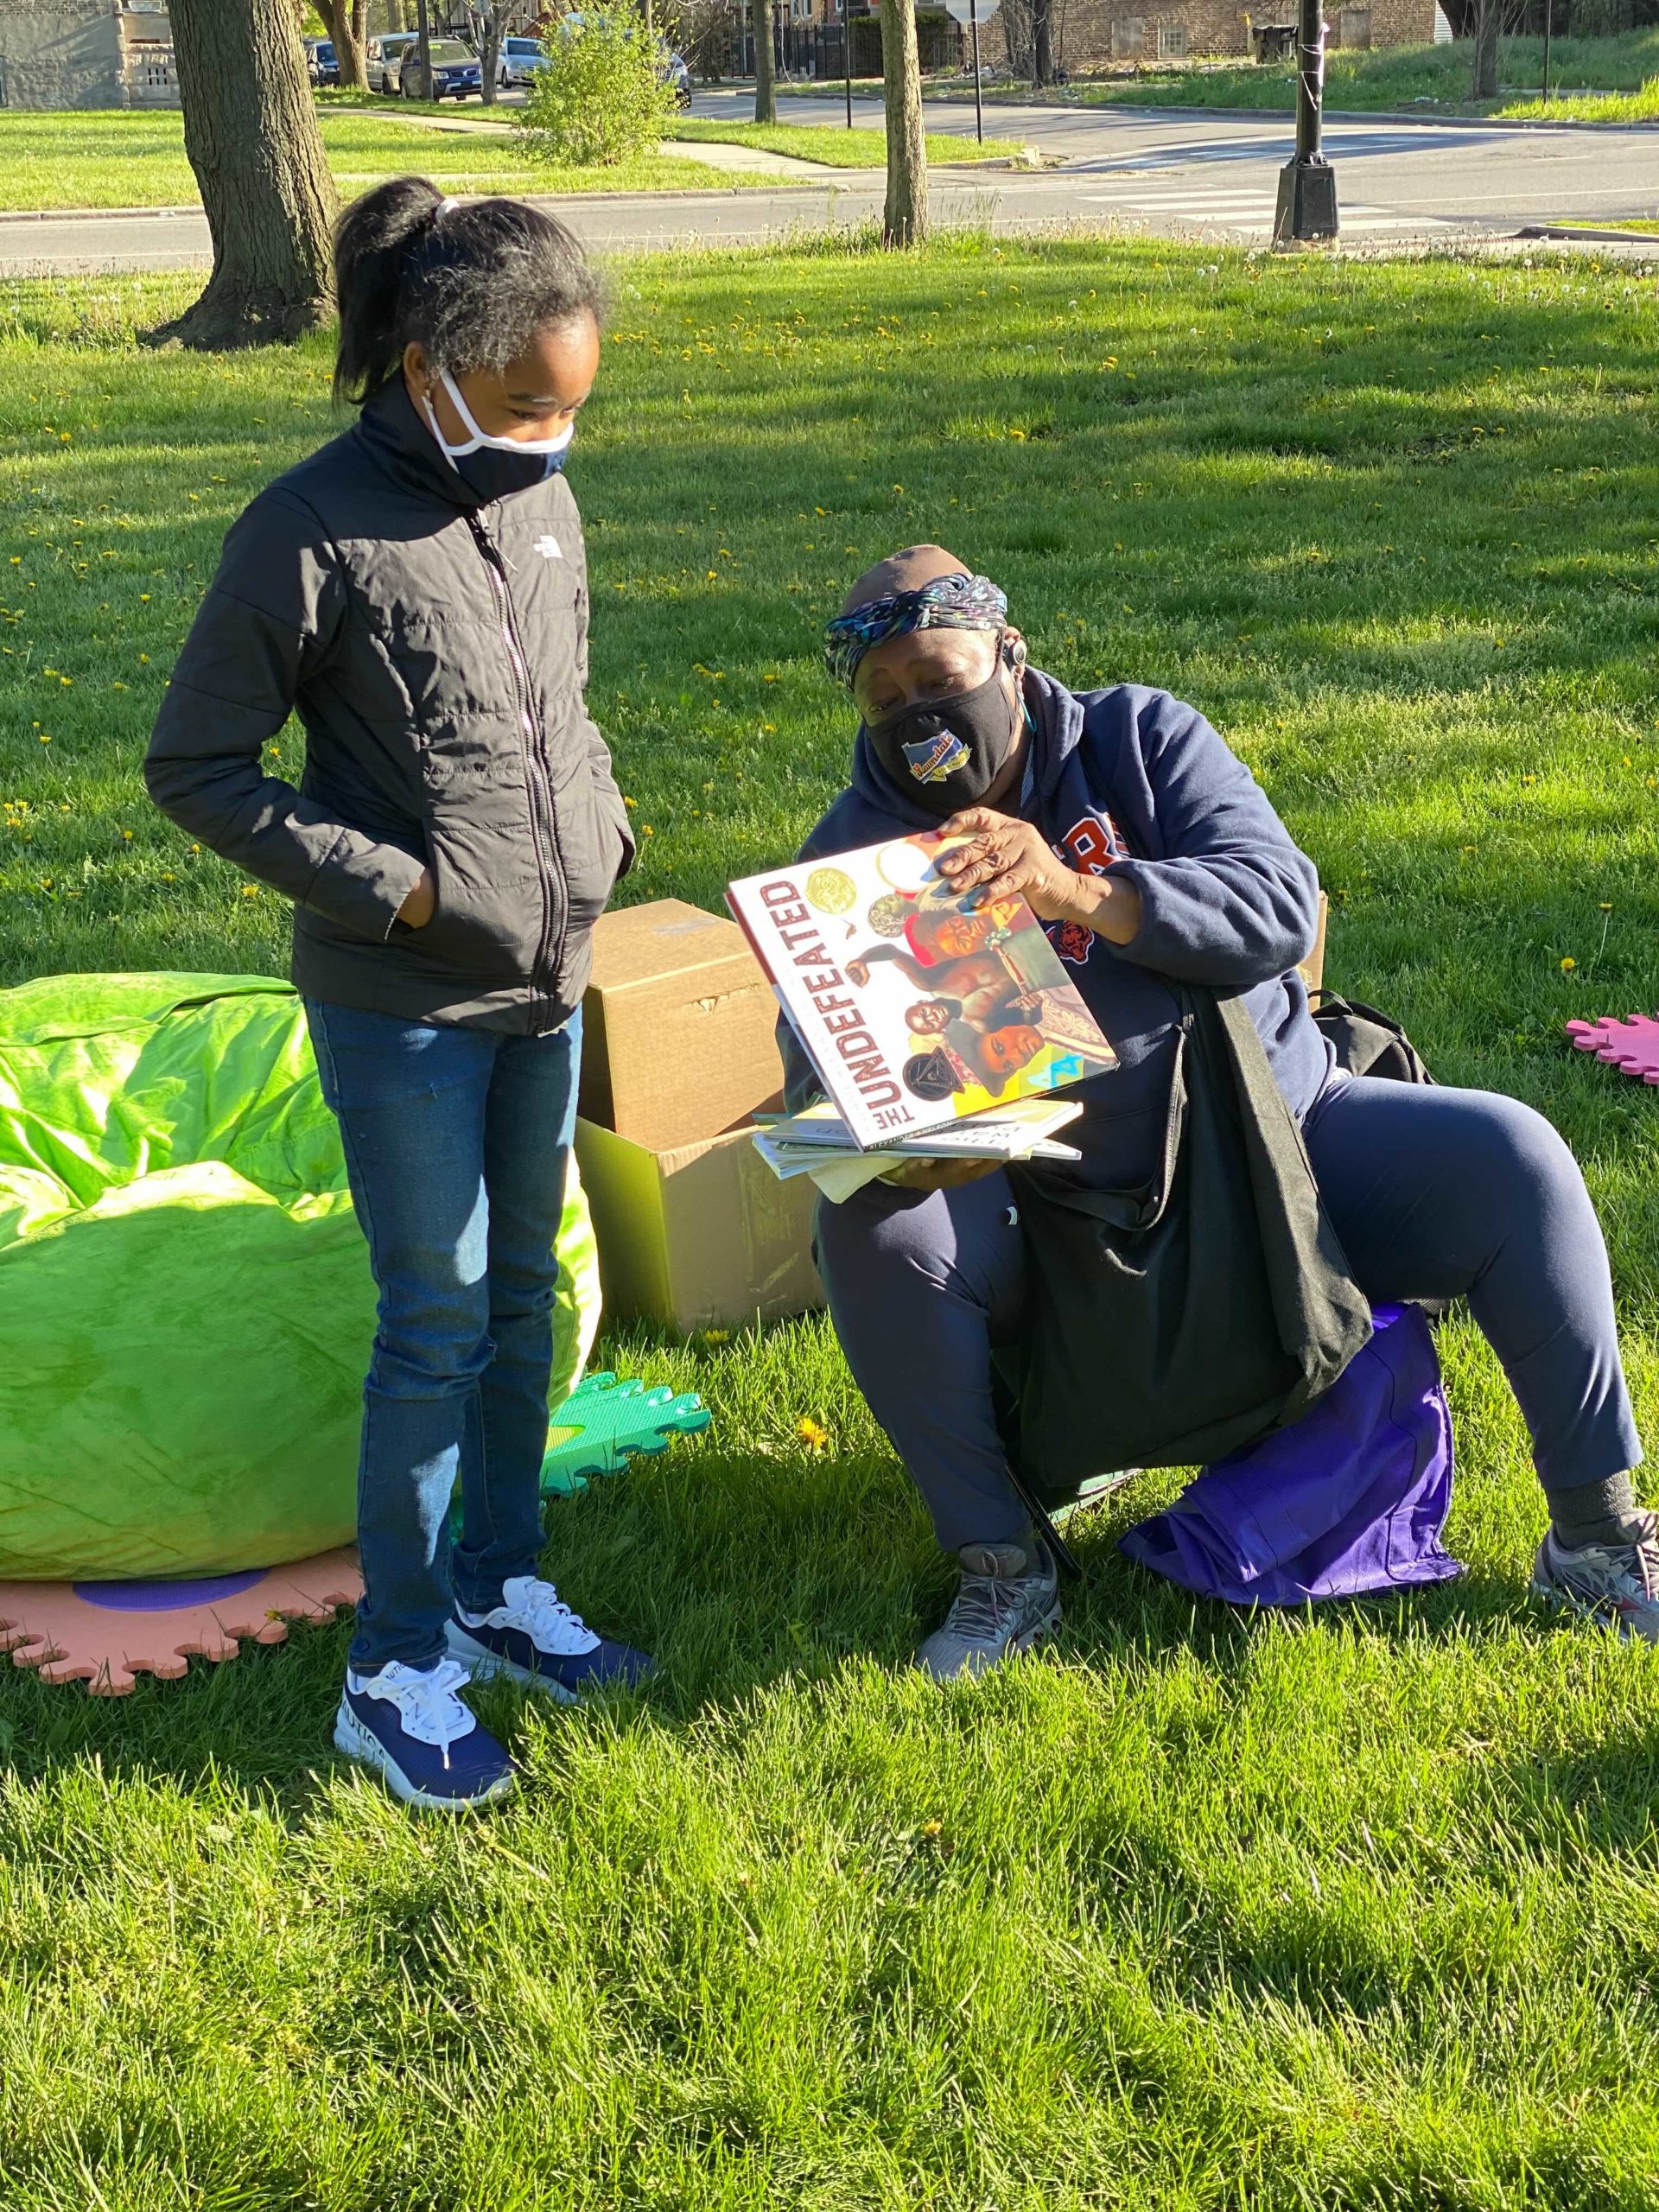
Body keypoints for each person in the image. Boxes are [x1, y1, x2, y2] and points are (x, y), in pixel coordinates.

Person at [799, 545, 1657, 1677]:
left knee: (1512, 1155)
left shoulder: (1137, 741)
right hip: (1048, 1208)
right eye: (888, 700)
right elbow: (816, 1065)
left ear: (1010, 657)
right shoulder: (855, 854)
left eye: (942, 677)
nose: (922, 715)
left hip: (1273, 1143)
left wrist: (1079, 893)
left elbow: (1275, 901)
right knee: (867, 1223)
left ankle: (1598, 1537)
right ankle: (1004, 1572)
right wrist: (902, 1148)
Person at [144, 179, 650, 1810]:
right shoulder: (306, 530)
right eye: (522, 407)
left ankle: (498, 1585)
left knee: (520, 1305)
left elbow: (560, 700)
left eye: (570, 412)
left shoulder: (544, 501)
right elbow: (199, 767)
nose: (551, 438)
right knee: (434, 1322)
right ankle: (396, 1667)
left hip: (547, 983)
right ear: (427, 361)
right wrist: (404, 888)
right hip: (405, 1007)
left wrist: (603, 819)